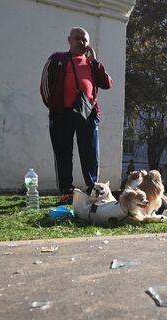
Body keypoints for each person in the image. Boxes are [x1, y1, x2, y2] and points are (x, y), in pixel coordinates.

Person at [40, 27, 112, 204]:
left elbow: (107, 83)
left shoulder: (91, 63)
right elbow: (45, 84)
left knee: (90, 153)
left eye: (85, 40)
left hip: (87, 113)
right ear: (69, 40)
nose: (81, 42)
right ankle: (67, 191)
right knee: (63, 153)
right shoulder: (57, 58)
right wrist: (52, 106)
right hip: (61, 113)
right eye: (77, 38)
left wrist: (95, 62)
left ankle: (93, 189)